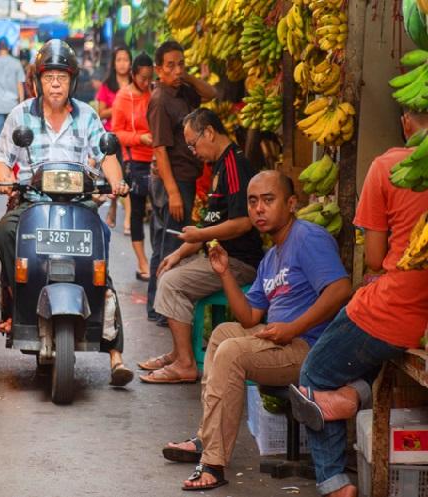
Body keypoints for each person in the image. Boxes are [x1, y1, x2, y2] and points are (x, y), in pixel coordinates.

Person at [161, 170, 351, 491]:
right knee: (223, 334)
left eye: (268, 200)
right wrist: (223, 273)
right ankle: (208, 438)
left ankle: (213, 463)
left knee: (232, 352)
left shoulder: (307, 237)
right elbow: (249, 317)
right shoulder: (270, 258)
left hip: (310, 350)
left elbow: (341, 289)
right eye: (252, 202)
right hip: (282, 343)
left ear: (291, 204)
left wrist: (292, 328)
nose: (259, 209)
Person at [288, 109, 428, 497]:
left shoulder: (386, 167)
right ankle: (352, 397)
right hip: (421, 323)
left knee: (315, 374)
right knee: (358, 362)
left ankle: (335, 484)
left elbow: (373, 258)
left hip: (395, 308)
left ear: (405, 121)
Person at [0, 39, 133, 386]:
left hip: (79, 202)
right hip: (32, 201)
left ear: (72, 81)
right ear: (39, 80)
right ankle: (17, 300)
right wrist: (6, 179)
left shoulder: (87, 116)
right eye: (49, 76)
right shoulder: (20, 115)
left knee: (98, 245)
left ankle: (114, 349)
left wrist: (117, 183)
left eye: (62, 77)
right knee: (3, 232)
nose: (56, 84)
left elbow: (106, 155)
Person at [138, 109, 263, 383]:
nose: (193, 151)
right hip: (221, 256)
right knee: (170, 268)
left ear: (209, 132)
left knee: (172, 283)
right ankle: (178, 352)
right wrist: (179, 251)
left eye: (193, 144)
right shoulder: (219, 165)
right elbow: (209, 226)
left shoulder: (234, 165)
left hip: (238, 263)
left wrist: (198, 237)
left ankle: (185, 364)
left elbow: (243, 222)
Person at [146, 41, 217, 325]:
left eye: (181, 64)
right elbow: (160, 150)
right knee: (169, 244)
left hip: (187, 177)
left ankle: (159, 307)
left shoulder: (184, 90)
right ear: (158, 69)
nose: (176, 70)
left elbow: (211, 93)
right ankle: (161, 309)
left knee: (172, 241)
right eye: (170, 65)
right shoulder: (160, 100)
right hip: (171, 181)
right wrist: (173, 192)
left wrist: (185, 76)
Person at [111, 52, 154, 281]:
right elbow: (117, 132)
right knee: (136, 213)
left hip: (157, 160)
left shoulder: (154, 93)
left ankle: (156, 259)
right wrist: (140, 138)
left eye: (149, 78)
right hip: (135, 160)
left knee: (157, 211)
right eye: (143, 78)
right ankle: (142, 262)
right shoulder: (123, 98)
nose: (146, 83)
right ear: (134, 75)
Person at [97, 47, 132, 233]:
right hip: (113, 139)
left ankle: (117, 212)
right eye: (119, 60)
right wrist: (119, 104)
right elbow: (101, 112)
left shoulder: (136, 84)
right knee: (117, 177)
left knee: (126, 176)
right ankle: (124, 217)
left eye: (126, 59)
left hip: (132, 138)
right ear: (114, 63)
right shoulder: (107, 85)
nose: (122, 63)